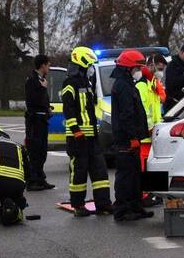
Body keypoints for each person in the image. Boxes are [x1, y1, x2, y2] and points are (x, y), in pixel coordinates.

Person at [61, 46, 112, 217]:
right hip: (78, 138)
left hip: (92, 137)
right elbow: (68, 109)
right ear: (82, 63)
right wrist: (76, 130)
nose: (91, 68)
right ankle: (78, 205)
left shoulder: (87, 83)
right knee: (79, 173)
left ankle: (103, 204)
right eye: (90, 64)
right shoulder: (69, 83)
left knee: (100, 171)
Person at [111, 49, 152, 222]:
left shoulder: (128, 84)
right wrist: (133, 137)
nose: (139, 71)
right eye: (137, 67)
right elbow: (126, 115)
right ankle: (122, 209)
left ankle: (136, 206)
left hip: (135, 137)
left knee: (135, 175)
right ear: (128, 68)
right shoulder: (123, 86)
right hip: (127, 139)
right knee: (126, 176)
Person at [24, 54, 54, 191]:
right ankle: (32, 181)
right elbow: (31, 100)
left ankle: (41, 179)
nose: (49, 67)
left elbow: (43, 100)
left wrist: (48, 108)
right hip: (34, 120)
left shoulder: (42, 80)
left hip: (42, 120)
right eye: (48, 65)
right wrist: (42, 89)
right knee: (34, 151)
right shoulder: (32, 80)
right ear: (42, 65)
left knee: (42, 151)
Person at [137, 59, 164, 207]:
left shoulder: (153, 85)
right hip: (147, 133)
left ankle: (156, 194)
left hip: (154, 131)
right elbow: (144, 111)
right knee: (144, 166)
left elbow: (159, 105)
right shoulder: (142, 86)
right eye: (156, 67)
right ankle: (145, 195)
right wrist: (149, 128)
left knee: (153, 165)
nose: (158, 70)